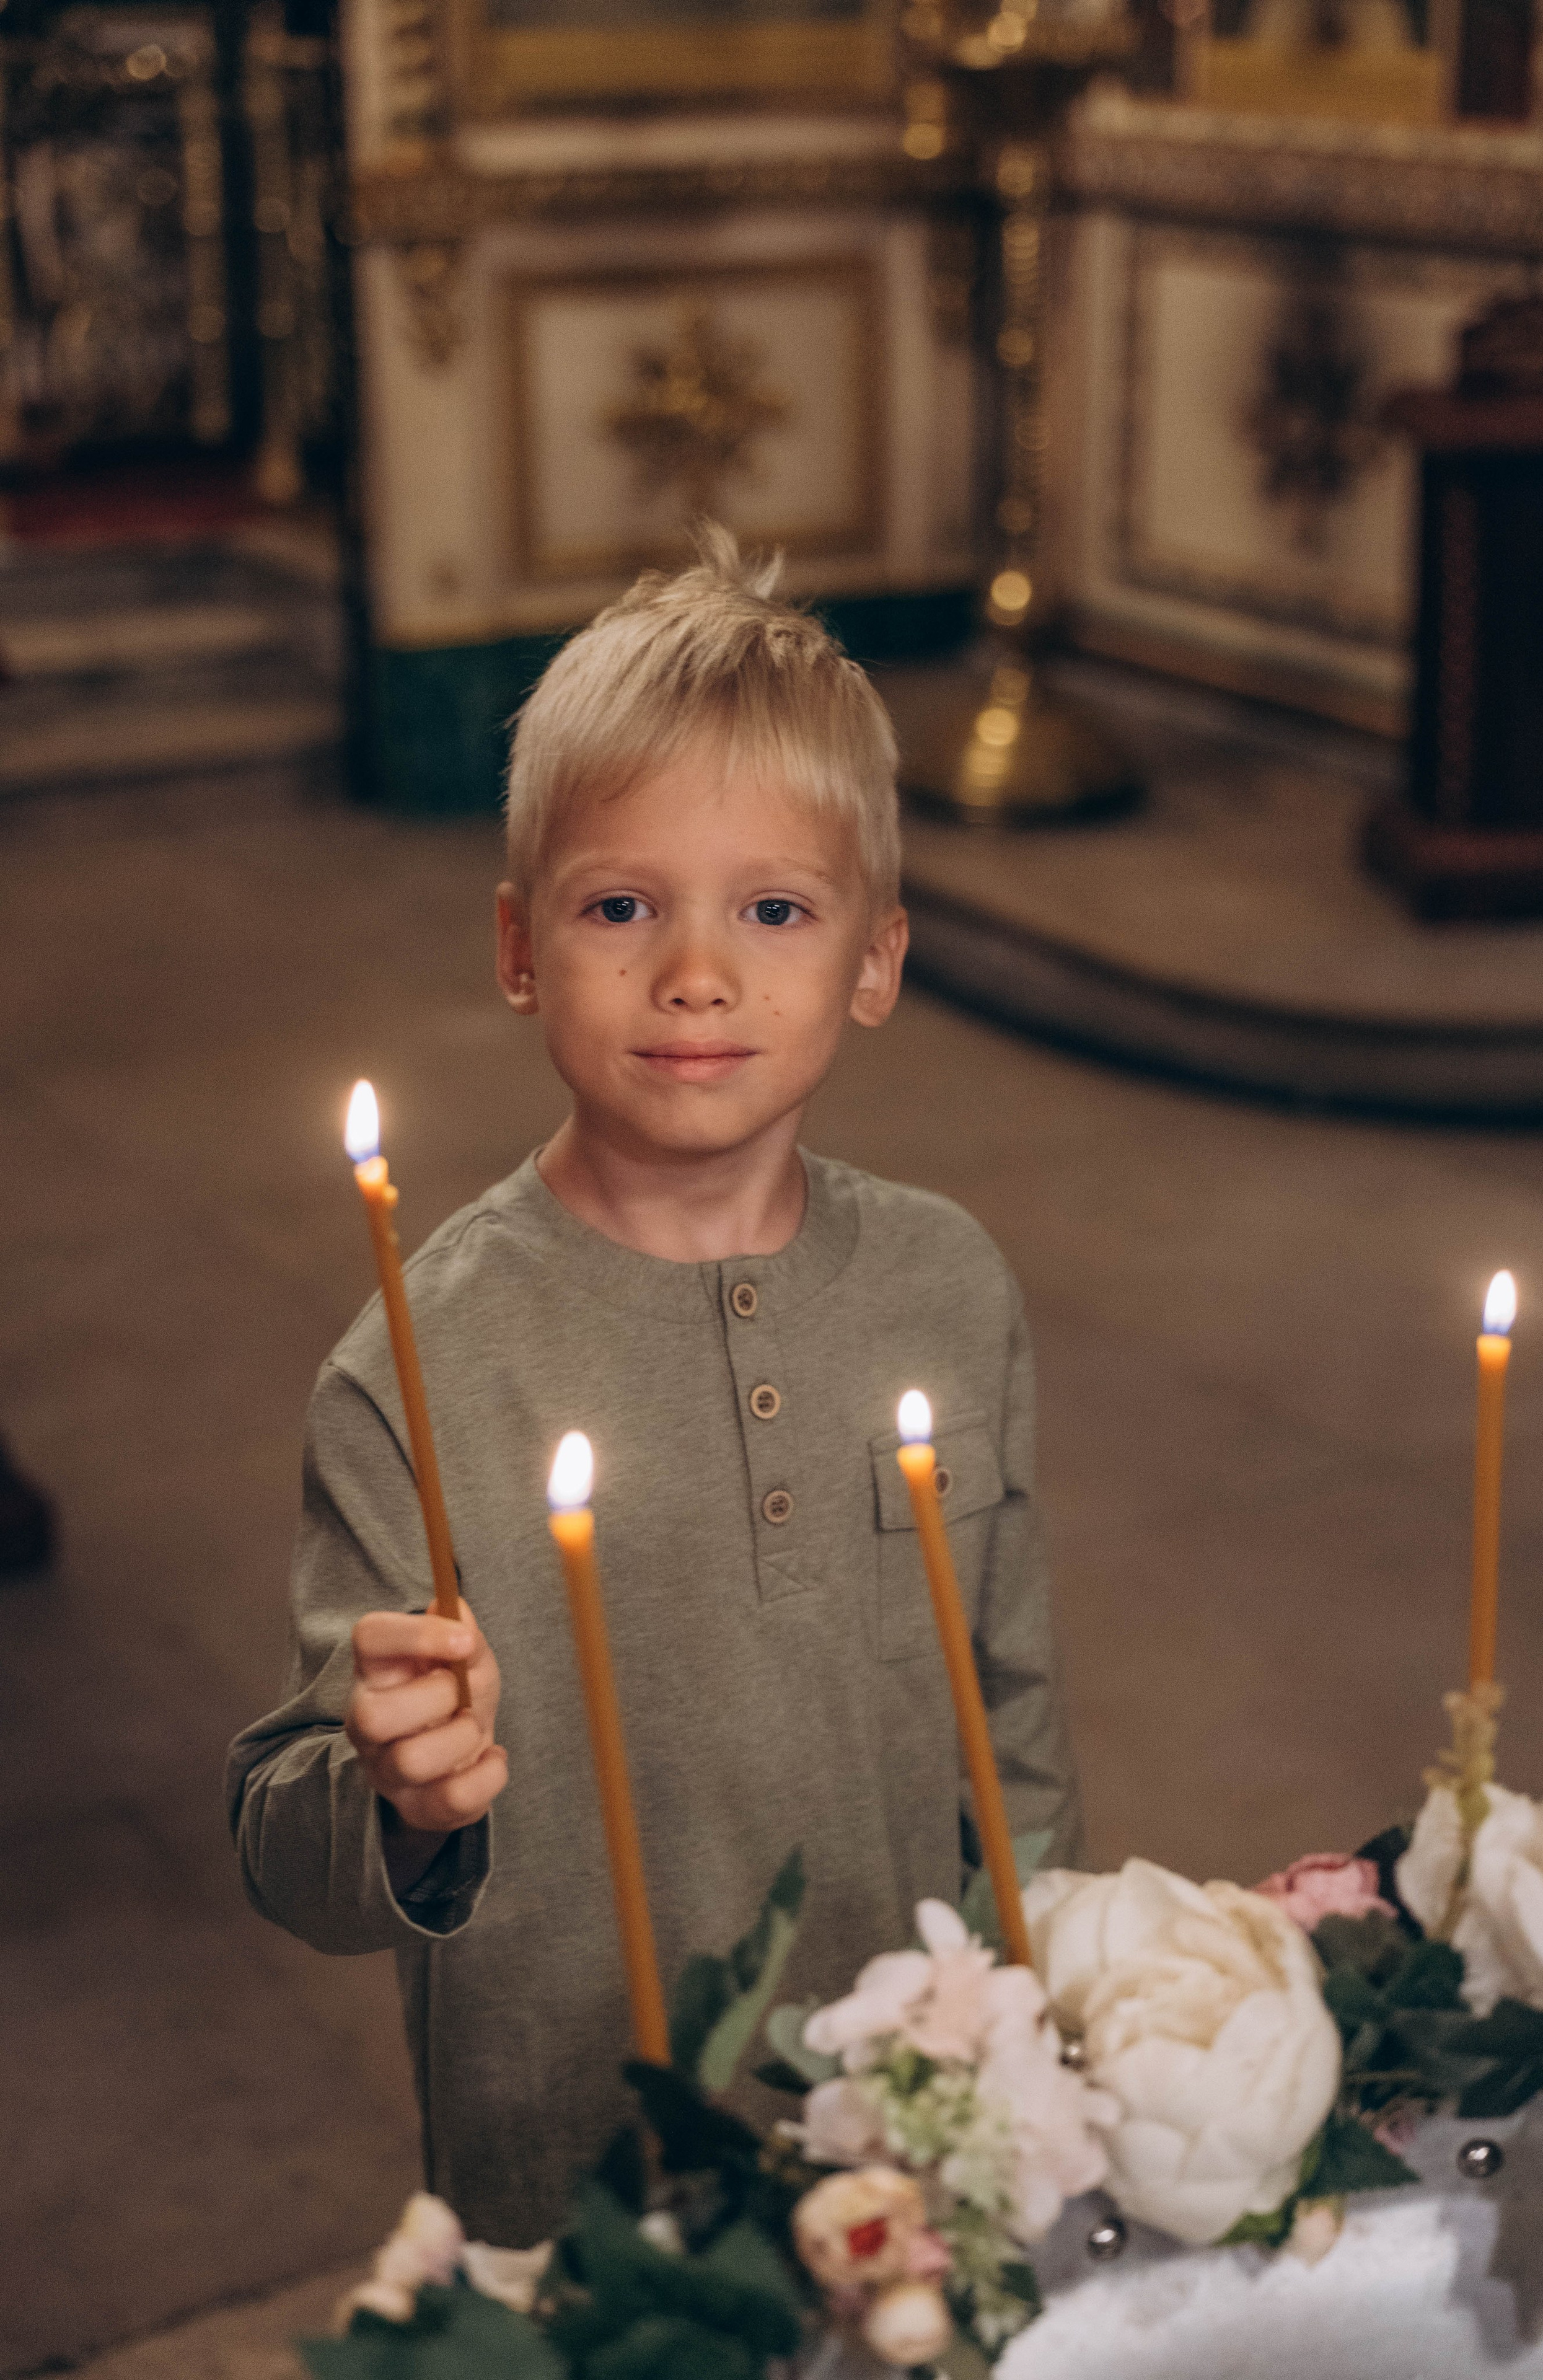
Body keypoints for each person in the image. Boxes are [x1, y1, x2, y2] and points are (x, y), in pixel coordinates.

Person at [226, 527, 1083, 2247]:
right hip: (580, 2194)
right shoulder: (417, 1364)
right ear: (519, 947)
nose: (697, 971)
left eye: (775, 909)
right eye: (621, 906)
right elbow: (289, 1855)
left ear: (877, 958)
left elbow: (1014, 1727)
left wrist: (1042, 2010)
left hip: (915, 2141)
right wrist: (398, 1799)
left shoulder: (948, 1286)